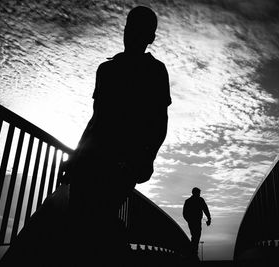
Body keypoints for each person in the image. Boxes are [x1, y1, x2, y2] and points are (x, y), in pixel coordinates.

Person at [64, 5, 171, 266]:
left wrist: (146, 159)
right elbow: (96, 118)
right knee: (81, 223)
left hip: (124, 162)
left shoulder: (156, 71)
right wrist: (76, 154)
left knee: (99, 219)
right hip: (93, 158)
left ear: (150, 37)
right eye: (128, 27)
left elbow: (159, 122)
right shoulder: (107, 69)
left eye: (139, 29)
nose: (130, 33)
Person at [183, 187, 211, 260]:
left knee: (195, 236)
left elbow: (205, 209)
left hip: (194, 221)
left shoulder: (189, 201)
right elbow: (205, 209)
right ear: (195, 193)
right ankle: (193, 253)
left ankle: (193, 252)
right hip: (194, 221)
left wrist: (209, 218)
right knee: (196, 236)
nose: (199, 194)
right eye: (198, 193)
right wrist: (209, 218)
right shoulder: (198, 200)